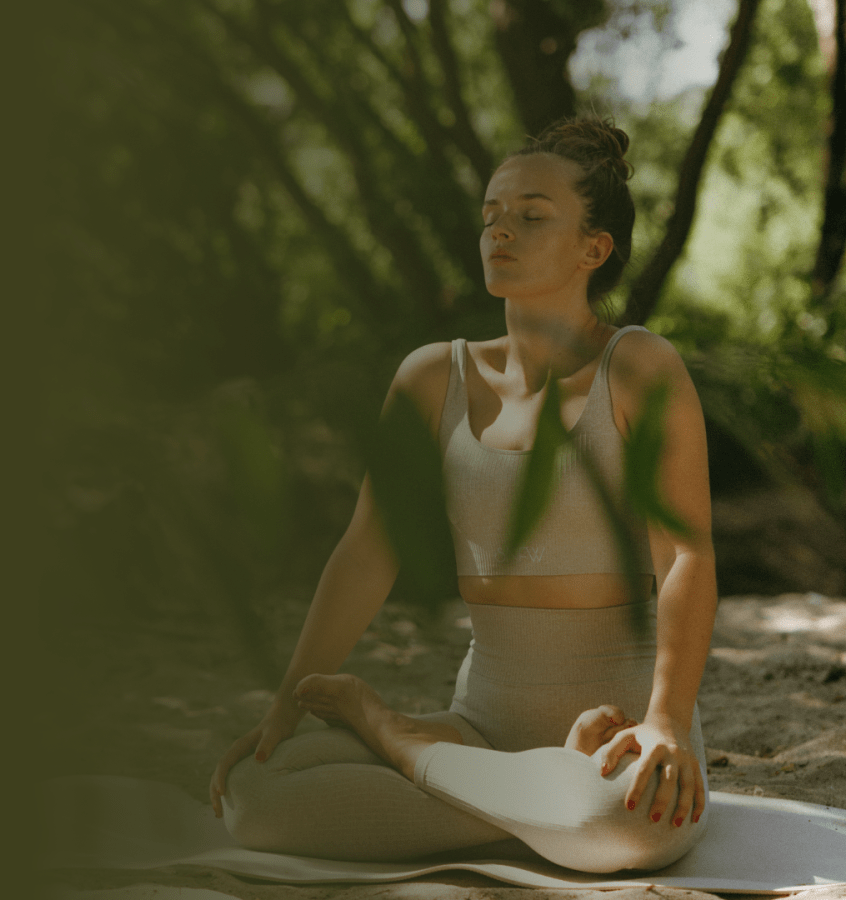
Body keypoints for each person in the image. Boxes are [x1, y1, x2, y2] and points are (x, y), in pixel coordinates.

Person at [209, 117, 717, 873]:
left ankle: (397, 738)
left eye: (531, 215)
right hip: (479, 727)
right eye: (491, 215)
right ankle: (531, 803)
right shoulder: (429, 379)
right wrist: (286, 699)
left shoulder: (639, 366)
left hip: (621, 730)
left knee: (623, 824)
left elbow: (687, 555)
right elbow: (367, 551)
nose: (499, 230)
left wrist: (666, 724)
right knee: (255, 791)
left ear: (594, 248)